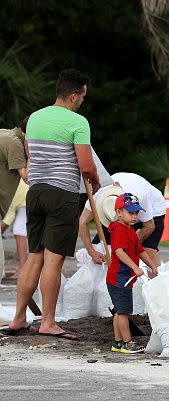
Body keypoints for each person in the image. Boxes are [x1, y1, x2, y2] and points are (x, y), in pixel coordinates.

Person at [4, 69, 99, 339]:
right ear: (72, 96)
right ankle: (47, 322)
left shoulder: (34, 118)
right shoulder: (78, 122)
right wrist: (94, 179)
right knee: (53, 260)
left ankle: (19, 318)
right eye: (82, 96)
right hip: (61, 194)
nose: (82, 101)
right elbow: (85, 164)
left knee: (34, 256)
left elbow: (33, 155)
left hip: (35, 191)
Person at [107, 192, 158, 354]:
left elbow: (140, 250)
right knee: (123, 313)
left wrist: (152, 266)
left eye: (136, 212)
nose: (134, 216)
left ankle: (118, 343)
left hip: (124, 279)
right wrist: (134, 267)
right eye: (130, 212)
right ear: (119, 212)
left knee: (119, 311)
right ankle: (128, 343)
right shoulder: (119, 230)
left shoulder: (130, 230)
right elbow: (119, 252)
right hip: (119, 279)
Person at [79, 172, 166, 266]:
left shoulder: (139, 196)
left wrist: (130, 247)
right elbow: (82, 222)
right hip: (118, 209)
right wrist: (92, 252)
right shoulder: (97, 196)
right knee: (101, 249)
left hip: (154, 210)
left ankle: (156, 276)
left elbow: (149, 226)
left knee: (146, 251)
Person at [0, 117, 28, 283]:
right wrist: (31, 153)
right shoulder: (16, 144)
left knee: (19, 231)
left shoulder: (4, 133)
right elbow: (27, 177)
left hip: (23, 201)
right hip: (23, 200)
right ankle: (24, 269)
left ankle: (23, 268)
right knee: (19, 231)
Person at [1, 180, 29, 278]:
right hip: (23, 194)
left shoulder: (7, 195)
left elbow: (8, 219)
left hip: (26, 198)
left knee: (19, 230)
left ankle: (23, 270)